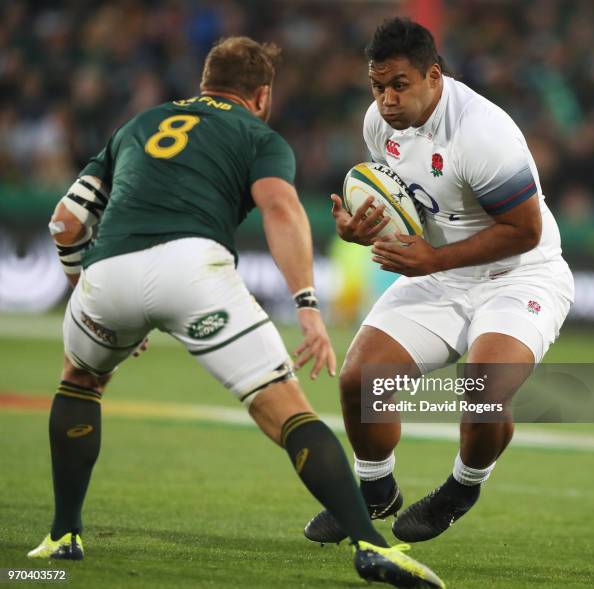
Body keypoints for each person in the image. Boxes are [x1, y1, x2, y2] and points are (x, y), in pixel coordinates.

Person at [27, 35, 445, 588]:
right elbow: (281, 209)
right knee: (287, 412)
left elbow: (66, 221)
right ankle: (370, 546)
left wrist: (86, 287)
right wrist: (307, 306)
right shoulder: (256, 135)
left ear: (205, 82)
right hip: (192, 271)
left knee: (80, 382)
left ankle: (62, 533)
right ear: (262, 96)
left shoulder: (139, 125)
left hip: (107, 273)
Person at [304, 18, 574, 544]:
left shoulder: (482, 132)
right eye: (377, 86)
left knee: (485, 387)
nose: (386, 100)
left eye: (399, 85)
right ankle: (374, 491)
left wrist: (432, 260)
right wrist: (362, 229)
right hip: (443, 269)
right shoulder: (378, 124)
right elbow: (410, 206)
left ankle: (461, 489)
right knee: (361, 380)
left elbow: (523, 231)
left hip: (520, 275)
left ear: (434, 75)